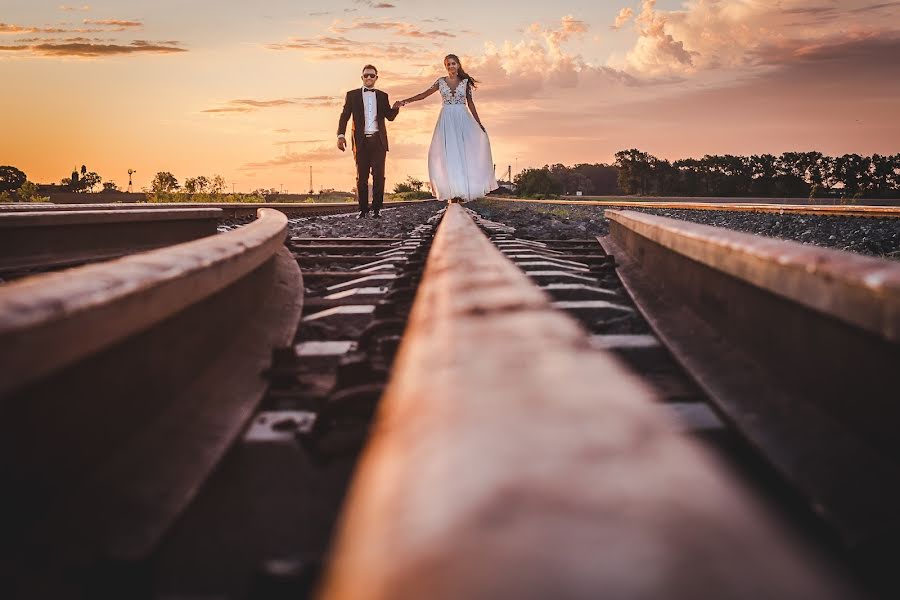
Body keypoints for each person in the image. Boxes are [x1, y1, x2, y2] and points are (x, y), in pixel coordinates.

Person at [398, 54, 497, 202]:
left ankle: (462, 191)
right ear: (446, 66)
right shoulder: (440, 81)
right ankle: (452, 192)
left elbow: (470, 104)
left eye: (453, 64)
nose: (450, 66)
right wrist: (404, 101)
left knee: (462, 154)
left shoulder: (465, 82)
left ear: (458, 65)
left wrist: (479, 123)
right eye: (448, 64)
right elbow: (423, 95)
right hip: (446, 120)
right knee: (448, 154)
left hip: (462, 118)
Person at [337, 64, 401, 218]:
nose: (369, 78)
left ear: (376, 78)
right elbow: (344, 116)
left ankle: (377, 210)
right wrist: (340, 135)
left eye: (372, 75)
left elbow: (389, 117)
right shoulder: (352, 95)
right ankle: (363, 210)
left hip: (378, 142)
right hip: (360, 142)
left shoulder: (382, 96)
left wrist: (396, 108)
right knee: (362, 177)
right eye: (366, 75)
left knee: (379, 176)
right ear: (362, 78)